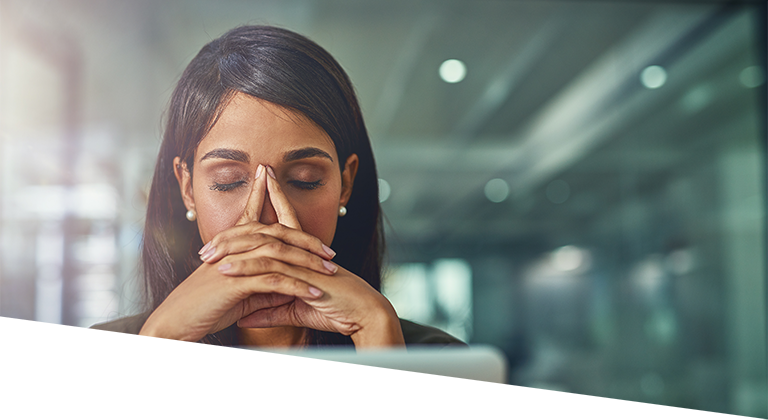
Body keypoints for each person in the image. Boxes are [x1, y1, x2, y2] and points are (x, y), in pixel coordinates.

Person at [90, 25, 462, 348]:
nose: (268, 217)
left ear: (345, 185)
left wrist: (377, 334)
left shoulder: (435, 361)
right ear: (187, 188)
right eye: (228, 181)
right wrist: (161, 343)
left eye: (305, 181)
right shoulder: (105, 355)